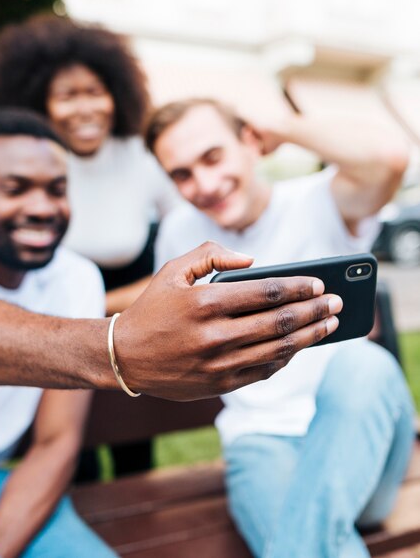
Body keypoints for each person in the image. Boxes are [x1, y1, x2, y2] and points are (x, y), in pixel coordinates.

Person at [0, 108, 338, 558]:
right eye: (15, 188)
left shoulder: (74, 277)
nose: (42, 207)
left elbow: (55, 444)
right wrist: (117, 349)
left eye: (56, 189)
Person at [146, 97, 415, 558]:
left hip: (360, 440)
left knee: (365, 362)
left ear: (251, 142)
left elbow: (388, 158)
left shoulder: (319, 200)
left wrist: (281, 125)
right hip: (262, 442)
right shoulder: (178, 232)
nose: (204, 184)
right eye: (182, 174)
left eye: (213, 156)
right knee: (309, 543)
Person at [0, 14, 181, 476]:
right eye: (67, 96)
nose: (84, 108)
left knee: (135, 456)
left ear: (117, 93)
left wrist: (115, 304)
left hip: (135, 326)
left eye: (94, 91)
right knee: (75, 463)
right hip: (56, 334)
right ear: (39, 102)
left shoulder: (142, 155)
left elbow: (187, 237)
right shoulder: (32, 165)